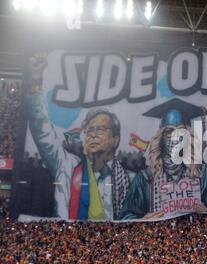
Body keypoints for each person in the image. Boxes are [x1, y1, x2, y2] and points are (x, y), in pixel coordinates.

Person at [26, 54, 133, 220]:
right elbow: (42, 132)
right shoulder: (67, 166)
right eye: (89, 130)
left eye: (101, 129)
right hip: (68, 240)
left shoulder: (130, 180)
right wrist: (35, 82)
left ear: (115, 139)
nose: (93, 134)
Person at [119, 98, 207, 220]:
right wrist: (143, 220)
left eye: (181, 132)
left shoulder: (201, 173)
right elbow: (125, 216)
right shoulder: (145, 178)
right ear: (161, 138)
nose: (175, 138)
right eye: (169, 132)